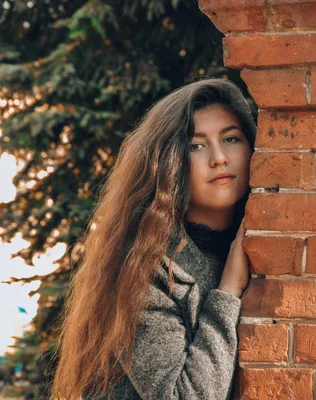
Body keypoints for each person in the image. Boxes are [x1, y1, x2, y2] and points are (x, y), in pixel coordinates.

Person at [51, 78, 255, 399]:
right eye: (196, 145)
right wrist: (228, 290)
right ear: (169, 163)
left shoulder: (266, 244)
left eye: (231, 138)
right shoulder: (146, 267)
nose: (218, 157)